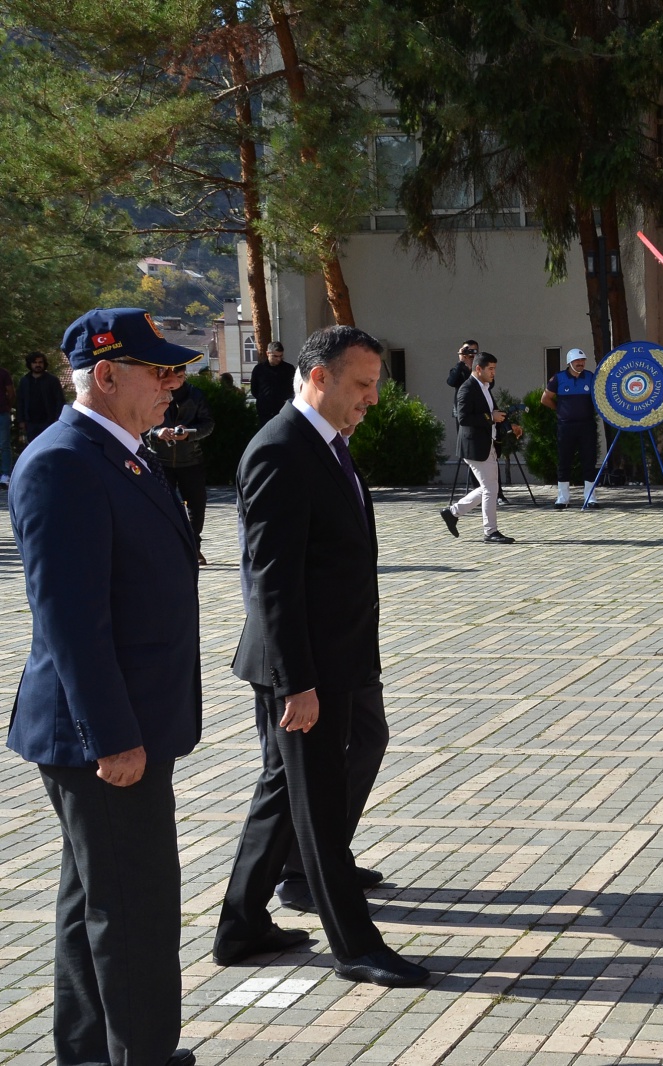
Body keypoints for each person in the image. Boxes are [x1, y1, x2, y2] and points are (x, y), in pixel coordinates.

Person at [8, 307, 204, 1066]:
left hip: (124, 720)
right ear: (107, 375)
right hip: (105, 732)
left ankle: (92, 1054)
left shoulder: (118, 451)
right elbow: (69, 617)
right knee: (137, 912)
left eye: (177, 370)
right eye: (160, 371)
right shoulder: (65, 460)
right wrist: (112, 734)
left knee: (94, 902)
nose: (174, 383)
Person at [214, 324, 429, 988]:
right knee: (317, 798)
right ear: (318, 377)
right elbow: (272, 583)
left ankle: (240, 924)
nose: (370, 399)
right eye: (361, 385)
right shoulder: (281, 450)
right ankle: (355, 946)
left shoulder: (327, 443)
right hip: (302, 666)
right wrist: (296, 683)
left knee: (285, 790)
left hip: (337, 656)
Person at [441, 350, 518, 543]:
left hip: (487, 443)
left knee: (488, 488)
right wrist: (489, 418)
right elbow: (464, 417)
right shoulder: (467, 388)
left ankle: (453, 512)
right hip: (474, 446)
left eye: (494, 369)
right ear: (478, 368)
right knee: (491, 488)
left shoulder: (485, 386)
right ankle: (490, 531)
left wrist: (509, 424)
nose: (493, 373)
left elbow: (493, 411)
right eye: (490, 369)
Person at [145, 375, 215, 564]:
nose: (177, 380)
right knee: (163, 506)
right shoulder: (155, 392)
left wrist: (189, 434)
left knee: (196, 506)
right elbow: (141, 422)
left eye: (181, 375)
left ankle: (194, 548)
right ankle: (167, 548)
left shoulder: (195, 395)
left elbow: (208, 424)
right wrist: (156, 433)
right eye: (172, 375)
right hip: (161, 460)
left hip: (190, 459)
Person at [541, 347, 598, 509]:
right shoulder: (558, 378)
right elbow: (545, 399)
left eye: (582, 361)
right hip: (566, 426)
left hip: (587, 425)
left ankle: (590, 497)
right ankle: (563, 497)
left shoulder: (590, 377)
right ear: (569, 363)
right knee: (564, 460)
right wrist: (560, 410)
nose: (580, 364)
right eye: (576, 361)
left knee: (589, 460)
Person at [16, 350, 65, 446]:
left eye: (40, 362)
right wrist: (21, 420)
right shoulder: (24, 381)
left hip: (48, 421)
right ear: (30, 364)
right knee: (32, 446)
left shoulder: (52, 380)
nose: (37, 365)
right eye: (35, 362)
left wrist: (57, 418)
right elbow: (20, 401)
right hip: (30, 422)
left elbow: (60, 400)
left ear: (44, 363)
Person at [250, 340, 296, 428]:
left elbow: (294, 388)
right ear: (268, 353)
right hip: (265, 412)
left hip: (283, 411)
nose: (278, 359)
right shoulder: (259, 369)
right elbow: (254, 390)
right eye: (275, 356)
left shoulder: (289, 369)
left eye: (281, 356)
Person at [0, 357, 12, 487]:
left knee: (4, 445)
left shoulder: (3, 373)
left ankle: (5, 474)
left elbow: (11, 393)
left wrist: (7, 408)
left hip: (2, 413)